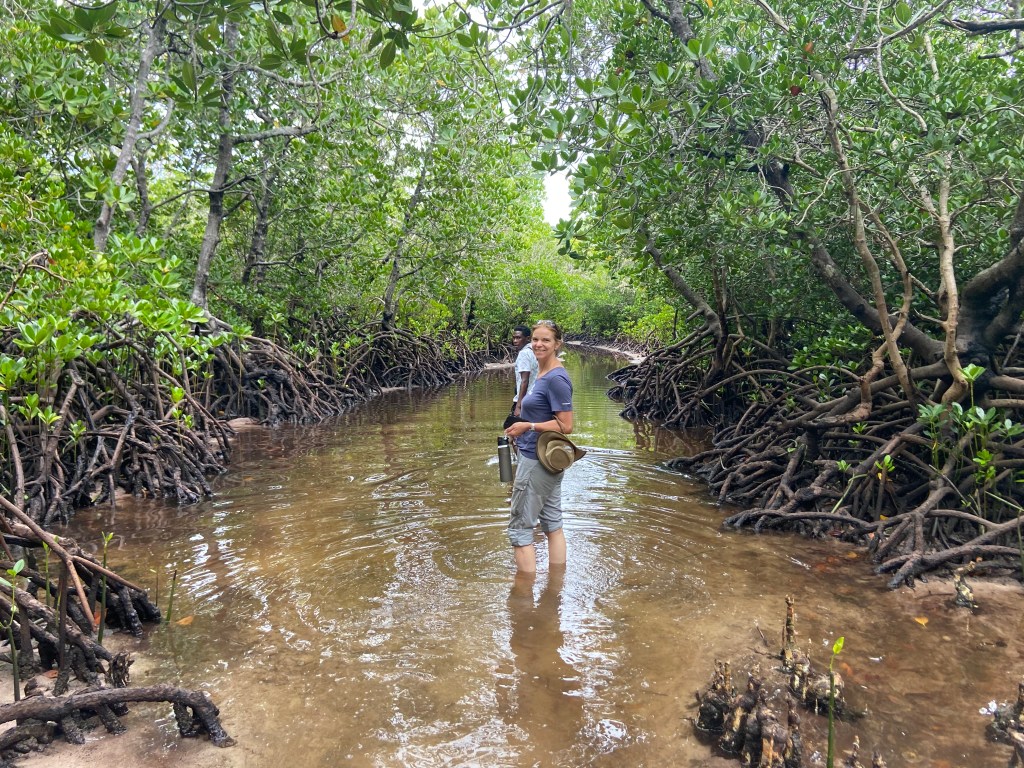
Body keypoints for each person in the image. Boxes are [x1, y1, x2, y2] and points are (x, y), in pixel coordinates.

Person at [503, 320, 573, 574]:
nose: (538, 344)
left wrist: (528, 426)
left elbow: (566, 425)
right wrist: (521, 429)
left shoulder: (556, 378)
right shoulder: (542, 373)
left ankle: (523, 594)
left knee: (520, 529)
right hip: (543, 459)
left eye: (545, 340)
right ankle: (555, 587)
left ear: (557, 344)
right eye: (535, 339)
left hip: (537, 460)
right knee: (552, 524)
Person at [506, 325, 538, 430]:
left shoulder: (524, 354)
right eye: (514, 338)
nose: (515, 341)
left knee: (512, 432)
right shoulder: (535, 351)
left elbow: (525, 380)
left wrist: (518, 406)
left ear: (527, 338)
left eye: (518, 338)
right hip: (534, 399)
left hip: (523, 401)